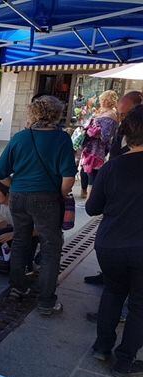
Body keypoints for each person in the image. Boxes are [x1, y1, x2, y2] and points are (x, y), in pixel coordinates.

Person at [0, 95, 77, 316]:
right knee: (51, 247)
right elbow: (68, 180)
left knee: (20, 241)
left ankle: (17, 288)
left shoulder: (20, 137)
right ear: (57, 115)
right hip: (47, 197)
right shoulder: (62, 139)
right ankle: (46, 302)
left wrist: (16, 186)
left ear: (33, 113)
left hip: (19, 196)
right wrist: (54, 195)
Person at [86, 105, 143, 376]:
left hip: (110, 245)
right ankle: (124, 360)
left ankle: (102, 347)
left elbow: (92, 208)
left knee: (113, 292)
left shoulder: (112, 167)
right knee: (139, 306)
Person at [84, 90, 143, 288]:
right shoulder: (115, 163)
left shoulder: (117, 165)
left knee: (116, 293)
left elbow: (92, 207)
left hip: (117, 239)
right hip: (121, 239)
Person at [79, 90, 119, 197]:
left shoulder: (110, 115)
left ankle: (90, 198)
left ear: (108, 101)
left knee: (92, 171)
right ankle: (85, 193)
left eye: (104, 100)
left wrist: (91, 132)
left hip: (97, 149)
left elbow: (105, 137)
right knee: (85, 169)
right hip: (90, 147)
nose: (102, 102)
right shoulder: (103, 112)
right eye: (102, 99)